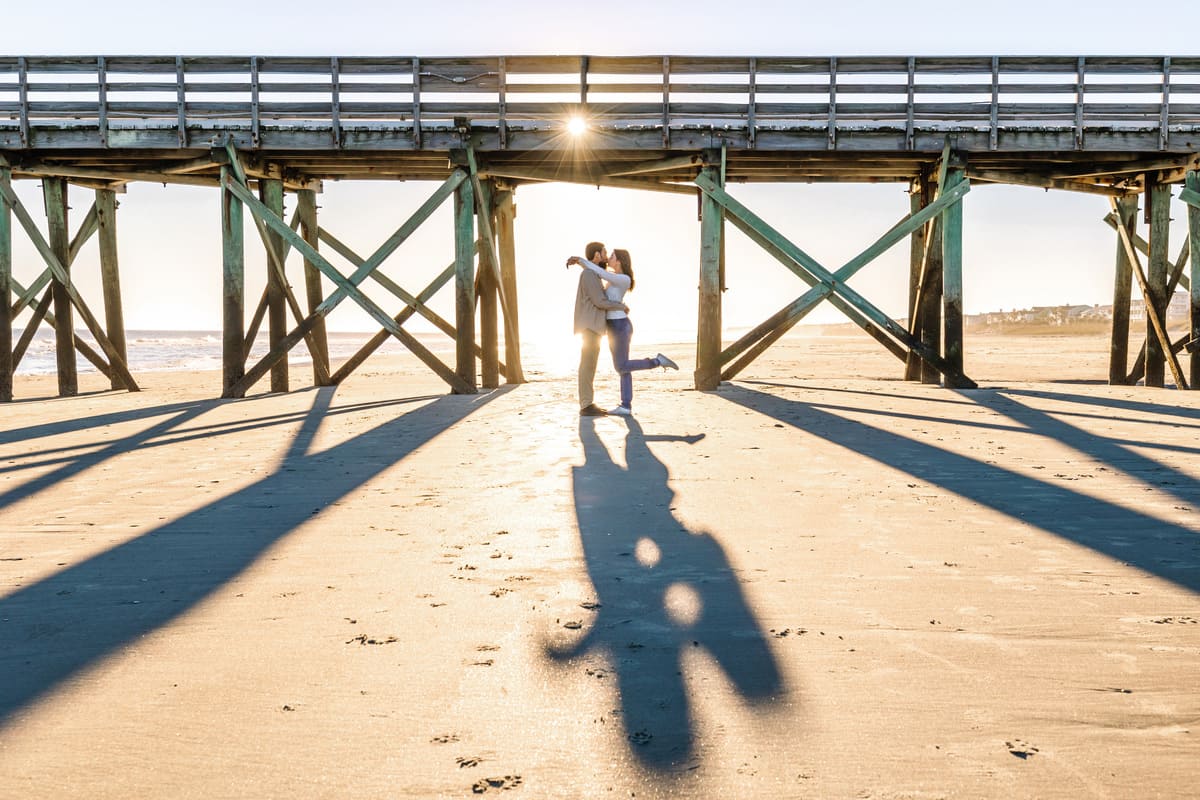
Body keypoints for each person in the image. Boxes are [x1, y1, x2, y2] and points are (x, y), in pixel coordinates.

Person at [567, 247, 679, 416]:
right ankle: (625, 405)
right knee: (621, 366)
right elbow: (598, 292)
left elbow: (600, 290)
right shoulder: (603, 278)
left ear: (619, 261)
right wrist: (584, 264)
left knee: (621, 365)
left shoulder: (622, 278)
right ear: (597, 255)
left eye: (611, 255)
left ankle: (657, 361)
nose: (608, 257)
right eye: (606, 253)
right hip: (609, 326)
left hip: (619, 324)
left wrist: (582, 261)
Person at [572, 241, 628, 417]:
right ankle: (586, 405)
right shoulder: (589, 274)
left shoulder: (594, 274)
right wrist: (620, 306)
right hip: (590, 326)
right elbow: (599, 301)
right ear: (596, 255)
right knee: (587, 365)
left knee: (590, 365)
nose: (605, 255)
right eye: (604, 252)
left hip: (594, 326)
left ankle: (588, 403)